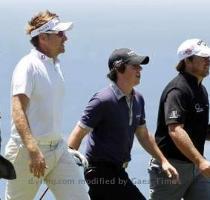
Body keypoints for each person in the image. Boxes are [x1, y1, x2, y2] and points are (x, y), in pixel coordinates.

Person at [68, 48, 179, 200]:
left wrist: (163, 161)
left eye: (140, 66)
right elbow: (78, 133)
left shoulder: (138, 99)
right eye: (134, 66)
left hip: (118, 171)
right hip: (99, 171)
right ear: (119, 68)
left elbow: (143, 136)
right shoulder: (102, 100)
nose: (140, 69)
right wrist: (66, 168)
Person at [5, 10, 89, 200]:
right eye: (60, 34)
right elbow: (17, 110)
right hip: (27, 153)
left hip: (58, 150)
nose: (65, 38)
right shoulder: (28, 65)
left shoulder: (54, 65)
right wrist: (33, 149)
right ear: (43, 38)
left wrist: (60, 145)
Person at [149, 38, 210, 200]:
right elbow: (175, 130)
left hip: (196, 167)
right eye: (203, 58)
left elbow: (200, 129)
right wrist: (201, 162)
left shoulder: (201, 89)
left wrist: (199, 162)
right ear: (187, 61)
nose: (208, 61)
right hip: (171, 167)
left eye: (208, 57)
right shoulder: (178, 90)